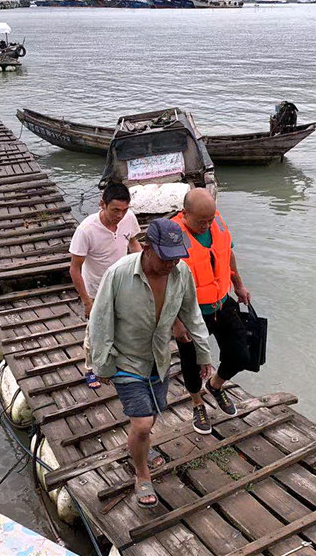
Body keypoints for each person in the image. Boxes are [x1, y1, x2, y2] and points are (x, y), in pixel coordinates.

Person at [91, 219, 211, 509]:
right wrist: (102, 364)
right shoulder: (118, 274)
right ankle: (142, 475)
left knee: (151, 418)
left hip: (159, 358)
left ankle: (139, 447)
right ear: (147, 248)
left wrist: (204, 354)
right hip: (125, 358)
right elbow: (100, 320)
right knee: (143, 423)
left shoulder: (181, 274)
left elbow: (192, 314)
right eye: (165, 257)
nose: (172, 263)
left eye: (176, 256)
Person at [171, 188, 251, 435]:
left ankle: (215, 386)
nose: (206, 225)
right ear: (185, 214)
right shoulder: (173, 235)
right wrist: (175, 321)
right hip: (190, 313)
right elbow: (161, 280)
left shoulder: (216, 222)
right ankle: (197, 403)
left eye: (209, 219)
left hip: (221, 302)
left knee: (240, 355)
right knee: (191, 363)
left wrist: (238, 284)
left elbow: (227, 253)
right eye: (200, 221)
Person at [69, 183, 142, 389]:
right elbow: (75, 269)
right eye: (115, 210)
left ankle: (118, 362)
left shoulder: (129, 218)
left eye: (124, 210)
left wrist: (143, 267)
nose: (120, 215)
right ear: (102, 204)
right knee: (95, 330)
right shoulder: (86, 230)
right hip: (96, 288)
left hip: (122, 283)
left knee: (122, 324)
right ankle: (90, 368)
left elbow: (134, 243)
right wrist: (86, 301)